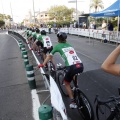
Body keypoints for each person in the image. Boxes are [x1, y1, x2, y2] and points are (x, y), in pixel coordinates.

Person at [38, 32, 84, 109]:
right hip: (80, 65)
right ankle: (77, 88)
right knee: (74, 74)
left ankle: (73, 102)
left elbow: (49, 56)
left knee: (66, 83)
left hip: (71, 66)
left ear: (58, 39)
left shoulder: (58, 46)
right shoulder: (70, 45)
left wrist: (43, 64)